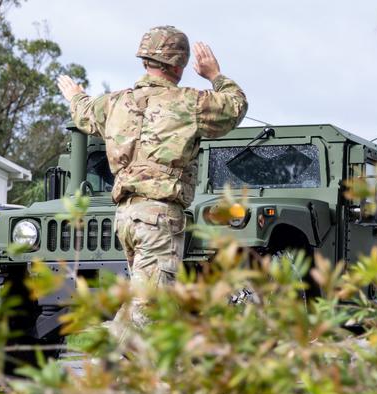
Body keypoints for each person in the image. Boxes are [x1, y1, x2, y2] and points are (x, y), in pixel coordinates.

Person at [57, 25, 247, 342]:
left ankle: (134, 374)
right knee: (152, 307)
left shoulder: (113, 103)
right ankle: (120, 371)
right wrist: (215, 75)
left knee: (144, 299)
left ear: (145, 60)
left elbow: (84, 113)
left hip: (126, 218)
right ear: (179, 65)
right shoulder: (190, 103)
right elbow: (235, 106)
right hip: (159, 216)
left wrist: (75, 95)